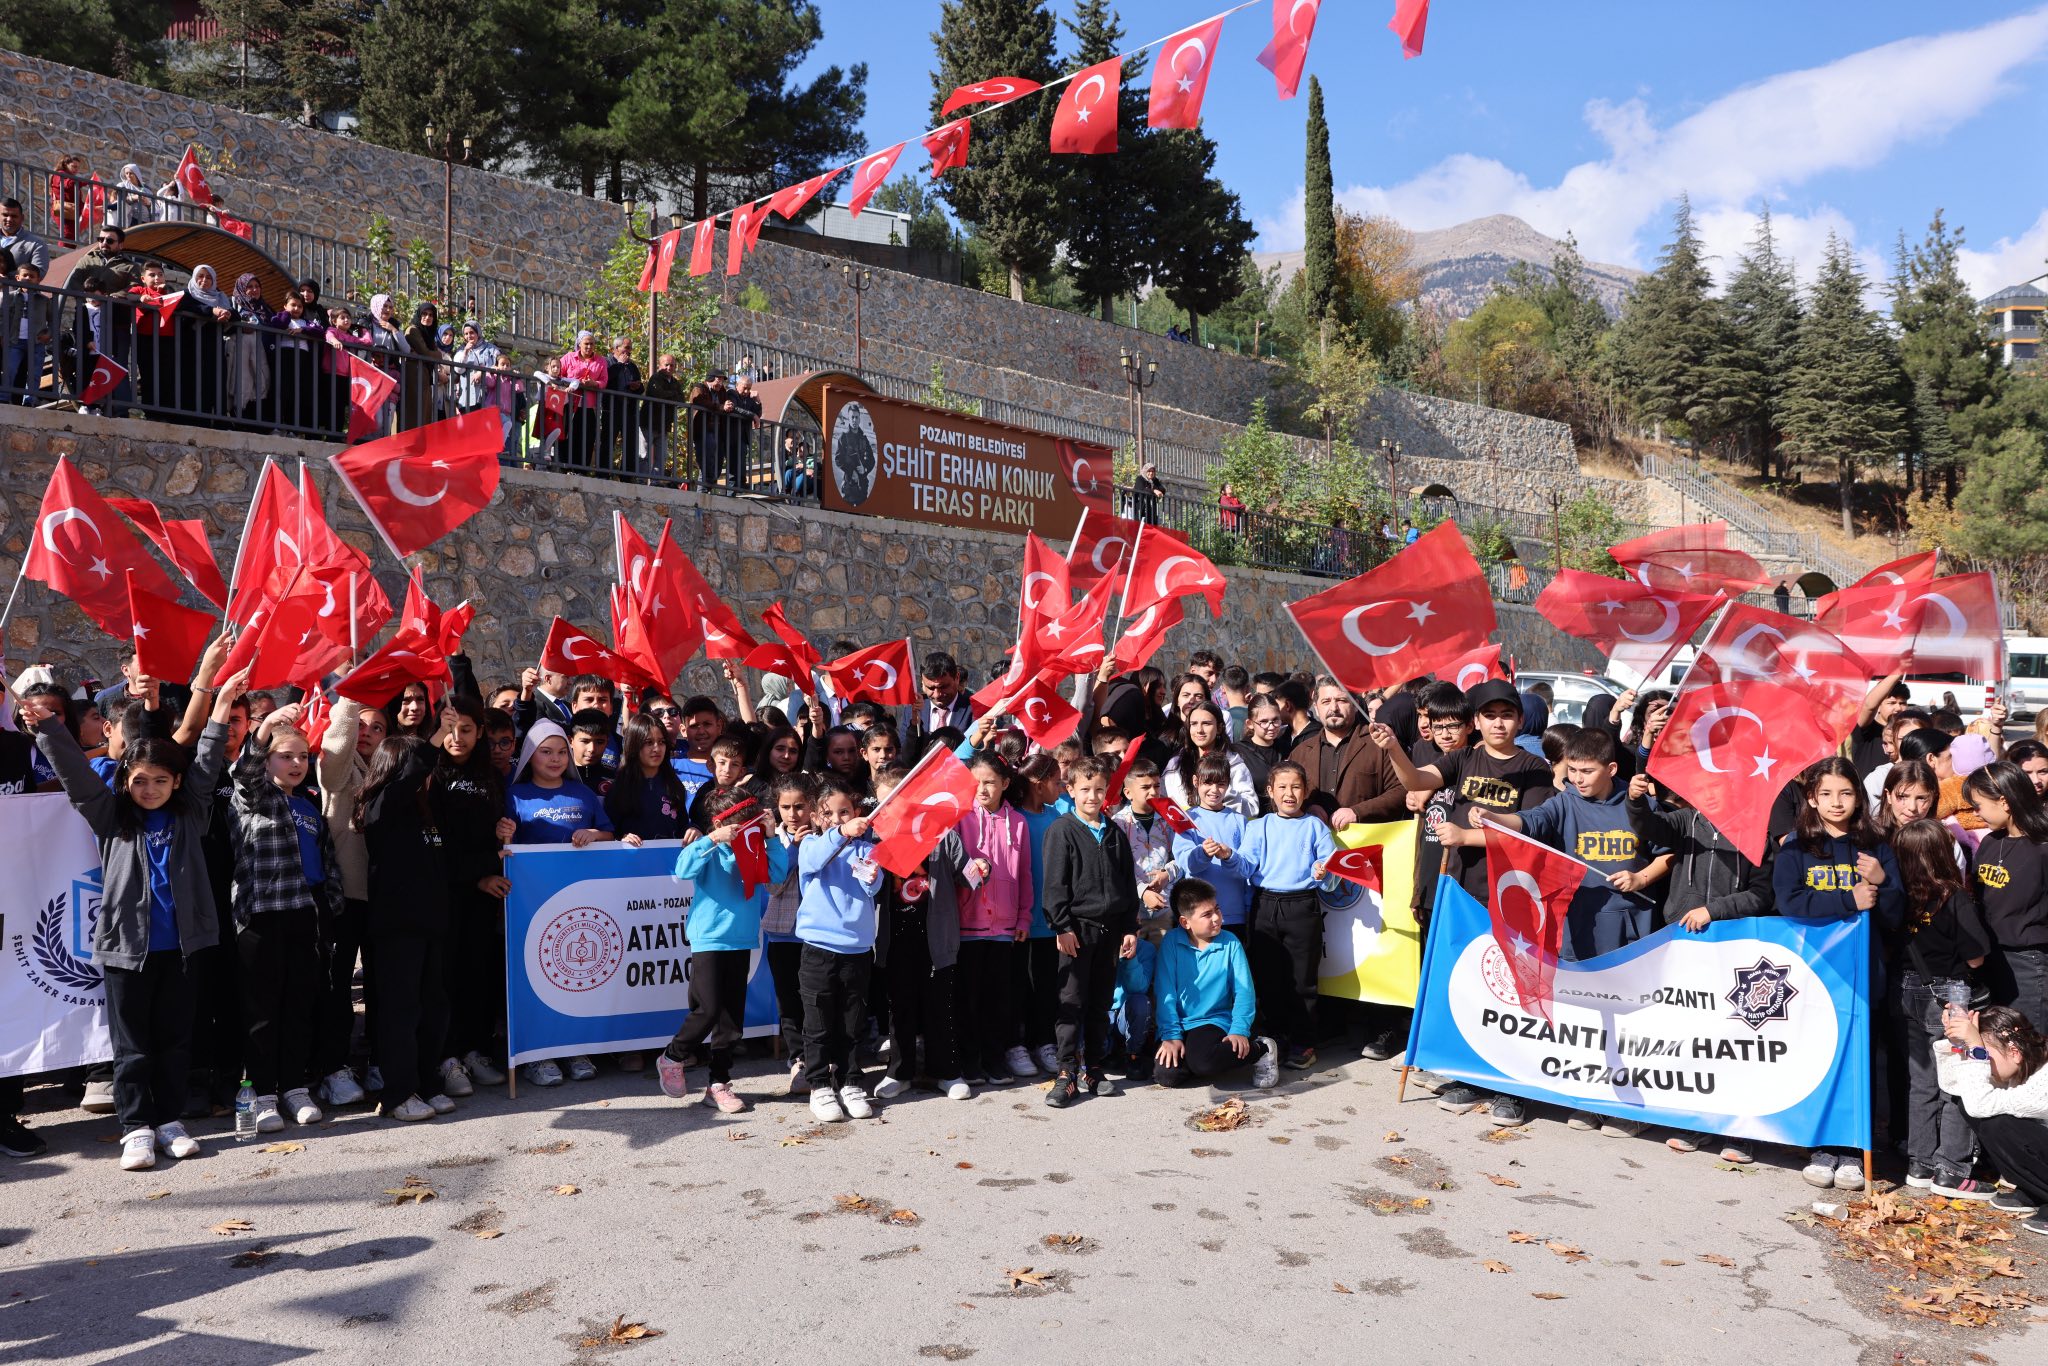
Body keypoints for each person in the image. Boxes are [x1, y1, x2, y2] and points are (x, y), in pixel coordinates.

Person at [35, 667, 248, 1169]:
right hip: (126, 951)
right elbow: (77, 778)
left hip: (184, 948)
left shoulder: (191, 813)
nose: (150, 789)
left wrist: (221, 703)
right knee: (132, 1047)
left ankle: (169, 1121)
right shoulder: (111, 817)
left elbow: (208, 756)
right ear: (126, 783)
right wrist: (47, 728)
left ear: (177, 782)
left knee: (175, 1041)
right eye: (139, 781)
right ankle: (135, 1128)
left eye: (160, 781)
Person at [1773, 756, 1903, 1191]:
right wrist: (1848, 900)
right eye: (1826, 793)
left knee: (1859, 1059)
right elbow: (1790, 903)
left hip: (1864, 973)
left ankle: (1853, 1148)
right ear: (1811, 798)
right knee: (1820, 1055)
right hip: (1815, 971)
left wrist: (1882, 882)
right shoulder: (1796, 847)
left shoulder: (1876, 845)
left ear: (1858, 797)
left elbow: (1895, 916)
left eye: (1845, 793)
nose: (1836, 802)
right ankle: (1823, 1146)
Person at [228, 703, 345, 1134]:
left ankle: (295, 1087)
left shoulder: (310, 805)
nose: (296, 764)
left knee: (299, 1005)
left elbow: (326, 861)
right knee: (262, 1011)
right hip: (261, 917)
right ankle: (263, 1094)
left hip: (304, 915)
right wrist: (264, 732)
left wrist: (331, 902)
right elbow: (244, 773)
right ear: (267, 760)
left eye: (302, 756)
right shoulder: (253, 796)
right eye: (285, 756)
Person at [659, 788, 793, 1113]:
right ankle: (673, 1057)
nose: (746, 829)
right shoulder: (710, 848)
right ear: (721, 824)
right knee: (707, 1009)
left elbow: (777, 875)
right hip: (709, 938)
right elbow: (682, 869)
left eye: (751, 823)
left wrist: (771, 838)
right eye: (740, 824)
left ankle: (718, 1083)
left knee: (731, 1019)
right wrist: (711, 839)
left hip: (741, 938)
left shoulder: (755, 847)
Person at [355, 734, 457, 1122]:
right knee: (402, 1011)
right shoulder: (381, 806)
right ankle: (398, 1093)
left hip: (431, 926)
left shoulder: (425, 811)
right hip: (398, 928)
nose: (426, 775)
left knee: (434, 1009)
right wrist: (435, 737)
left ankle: (427, 1083)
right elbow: (406, 780)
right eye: (418, 768)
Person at [1889, 818, 1993, 1197]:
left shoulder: (1897, 899)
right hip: (1950, 996)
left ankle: (1920, 1162)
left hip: (1906, 990)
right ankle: (1952, 1168)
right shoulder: (1953, 897)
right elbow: (1976, 955)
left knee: (1921, 1082)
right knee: (1956, 1081)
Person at [1041, 755, 1141, 1108]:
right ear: (1070, 790)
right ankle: (1066, 1072)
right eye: (1085, 789)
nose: (1092, 796)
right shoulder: (1062, 830)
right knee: (1071, 1002)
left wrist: (1129, 927)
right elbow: (1054, 884)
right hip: (1077, 931)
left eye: (1099, 790)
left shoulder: (1114, 832)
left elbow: (1127, 883)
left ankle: (1094, 1068)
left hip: (1110, 932)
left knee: (1100, 1002)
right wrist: (1062, 926)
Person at [873, 776, 973, 1102]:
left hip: (936, 937)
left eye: (899, 799)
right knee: (900, 1008)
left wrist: (979, 868)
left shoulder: (941, 835)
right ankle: (898, 1072)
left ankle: (946, 1072)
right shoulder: (873, 836)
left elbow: (967, 876)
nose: (892, 808)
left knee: (939, 1007)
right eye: (885, 802)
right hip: (893, 937)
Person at [795, 775, 883, 1121]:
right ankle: (819, 1085)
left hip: (857, 949)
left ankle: (850, 1081)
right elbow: (814, 860)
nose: (836, 819)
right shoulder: (811, 844)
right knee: (818, 1023)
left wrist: (873, 877)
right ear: (816, 816)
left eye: (844, 812)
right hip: (818, 948)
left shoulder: (866, 848)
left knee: (852, 1022)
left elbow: (873, 888)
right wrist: (841, 832)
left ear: (856, 811)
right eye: (828, 813)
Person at [1153, 878, 1280, 1090]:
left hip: (1213, 1020)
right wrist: (1171, 1035)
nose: (1216, 918)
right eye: (1207, 914)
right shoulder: (1171, 942)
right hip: (1181, 1023)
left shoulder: (1230, 942)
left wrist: (1239, 1030)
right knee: (1167, 1075)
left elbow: (1244, 991)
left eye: (1217, 909)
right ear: (1185, 922)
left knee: (1204, 1063)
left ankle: (1261, 1049)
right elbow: (1165, 992)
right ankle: (1201, 1057)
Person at [1936, 1005, 2048, 1234]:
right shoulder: (2023, 1066)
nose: (1983, 1065)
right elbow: (1955, 1086)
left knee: (2000, 1124)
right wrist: (1960, 1045)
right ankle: (2036, 1190)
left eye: (1986, 1056)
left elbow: (1980, 1104)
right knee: (1974, 1107)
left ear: (2014, 1052)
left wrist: (1975, 1047)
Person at [956, 752, 1031, 1085]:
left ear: (1005, 784)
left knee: (998, 1000)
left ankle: (995, 1060)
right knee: (968, 999)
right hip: (968, 923)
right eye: (976, 782)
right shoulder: (960, 818)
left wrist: (1024, 917)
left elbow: (1025, 874)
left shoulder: (1019, 823)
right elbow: (952, 867)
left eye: (990, 782)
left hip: (1004, 926)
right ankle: (969, 1061)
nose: (982, 789)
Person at [1961, 761, 2048, 1034]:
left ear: (2004, 801)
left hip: (2028, 962)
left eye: (1978, 805)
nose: (1975, 813)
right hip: (1990, 957)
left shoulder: (2042, 847)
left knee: (2028, 1043)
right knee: (1997, 1044)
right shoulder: (1990, 842)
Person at [402, 301, 444, 429]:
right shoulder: (413, 330)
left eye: (431, 315)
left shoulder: (428, 335)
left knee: (423, 414)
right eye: (424, 314)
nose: (427, 317)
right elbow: (426, 353)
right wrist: (438, 355)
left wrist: (434, 355)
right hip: (413, 374)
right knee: (414, 413)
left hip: (423, 376)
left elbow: (430, 353)